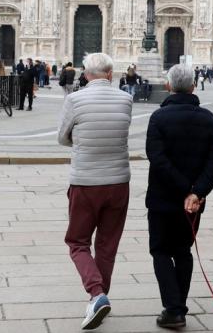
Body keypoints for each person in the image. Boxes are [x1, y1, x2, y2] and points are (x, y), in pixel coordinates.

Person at [144, 64, 213, 329]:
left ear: (168, 86)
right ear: (193, 86)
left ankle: (174, 309)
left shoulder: (159, 118)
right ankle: (177, 308)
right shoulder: (208, 118)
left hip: (162, 198)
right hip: (193, 204)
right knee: (183, 251)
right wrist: (196, 192)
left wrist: (184, 190)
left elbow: (157, 159)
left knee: (160, 250)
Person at [57, 52, 133, 331]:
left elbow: (61, 137)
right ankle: (101, 296)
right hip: (118, 183)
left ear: (86, 74)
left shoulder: (74, 100)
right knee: (107, 245)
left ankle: (96, 293)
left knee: (77, 242)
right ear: (111, 74)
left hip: (85, 182)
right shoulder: (126, 99)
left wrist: (80, 143)